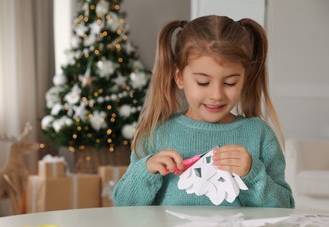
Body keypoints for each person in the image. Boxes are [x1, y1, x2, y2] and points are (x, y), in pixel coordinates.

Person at [113, 15, 294, 208]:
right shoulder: (156, 134)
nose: (216, 95)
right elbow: (123, 204)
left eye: (230, 83)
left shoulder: (259, 135)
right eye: (203, 82)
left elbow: (284, 208)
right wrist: (147, 170)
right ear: (179, 77)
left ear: (245, 79)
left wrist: (253, 174)